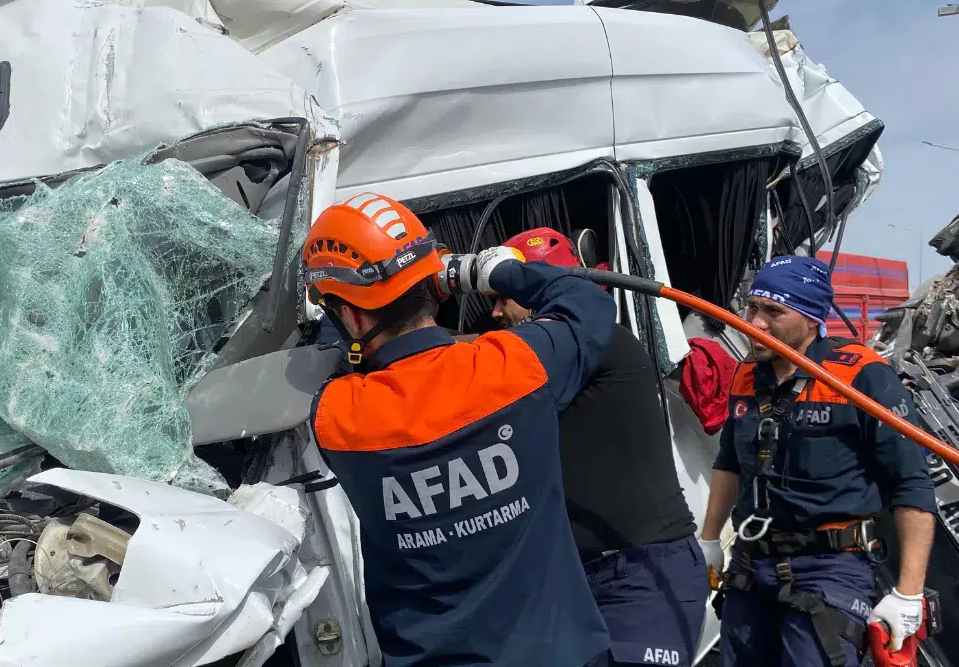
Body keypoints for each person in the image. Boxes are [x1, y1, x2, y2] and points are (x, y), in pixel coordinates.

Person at [304, 192, 617, 666]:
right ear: (434, 282)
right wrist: (494, 272)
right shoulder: (515, 366)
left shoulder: (337, 416)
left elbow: (334, 354)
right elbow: (586, 301)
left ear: (348, 314)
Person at [698, 255, 937, 667]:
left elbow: (911, 482)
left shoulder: (863, 376)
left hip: (830, 569)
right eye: (752, 307)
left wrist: (909, 592)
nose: (755, 322)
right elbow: (729, 463)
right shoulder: (747, 374)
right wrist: (709, 540)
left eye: (773, 311)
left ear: (811, 319)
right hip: (752, 564)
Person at [486, 228, 709, 667]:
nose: (493, 313)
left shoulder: (606, 342)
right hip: (576, 579)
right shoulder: (544, 365)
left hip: (642, 574)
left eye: (505, 295)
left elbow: (468, 360)